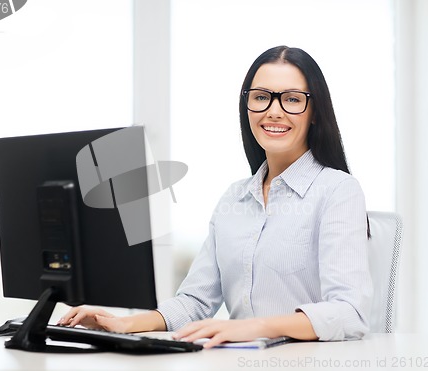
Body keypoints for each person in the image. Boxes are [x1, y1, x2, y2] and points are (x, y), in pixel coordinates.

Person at [58, 45, 373, 348]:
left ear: (315, 112)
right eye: (261, 97)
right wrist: (125, 324)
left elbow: (350, 313)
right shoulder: (234, 198)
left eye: (292, 99)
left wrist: (256, 326)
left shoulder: (337, 191)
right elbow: (196, 301)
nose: (274, 111)